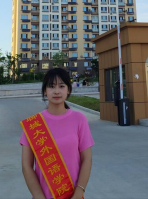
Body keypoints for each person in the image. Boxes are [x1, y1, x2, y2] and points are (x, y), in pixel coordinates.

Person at [20, 68, 94, 199]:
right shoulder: (33, 125)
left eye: (61, 86)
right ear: (45, 90)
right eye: (51, 86)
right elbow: (26, 166)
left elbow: (87, 159)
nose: (56, 91)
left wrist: (79, 192)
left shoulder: (79, 119)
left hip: (73, 195)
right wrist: (39, 196)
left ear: (68, 89)